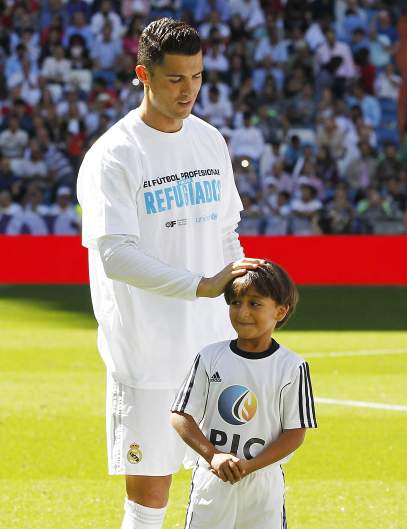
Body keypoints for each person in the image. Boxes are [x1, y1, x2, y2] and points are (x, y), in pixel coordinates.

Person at [76, 17, 262, 529]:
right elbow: (115, 254)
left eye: (198, 77)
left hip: (215, 351)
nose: (189, 91)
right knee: (150, 496)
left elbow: (227, 232)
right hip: (149, 352)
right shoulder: (113, 155)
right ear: (144, 74)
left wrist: (241, 297)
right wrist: (199, 285)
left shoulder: (209, 141)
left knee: (229, 485)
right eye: (176, 78)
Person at [171, 261, 317, 529]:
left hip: (263, 483)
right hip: (212, 478)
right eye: (236, 302)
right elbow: (180, 414)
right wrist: (213, 455)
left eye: (255, 303)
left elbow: (295, 433)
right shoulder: (210, 357)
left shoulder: (292, 366)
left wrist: (251, 466)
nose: (242, 312)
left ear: (281, 311)